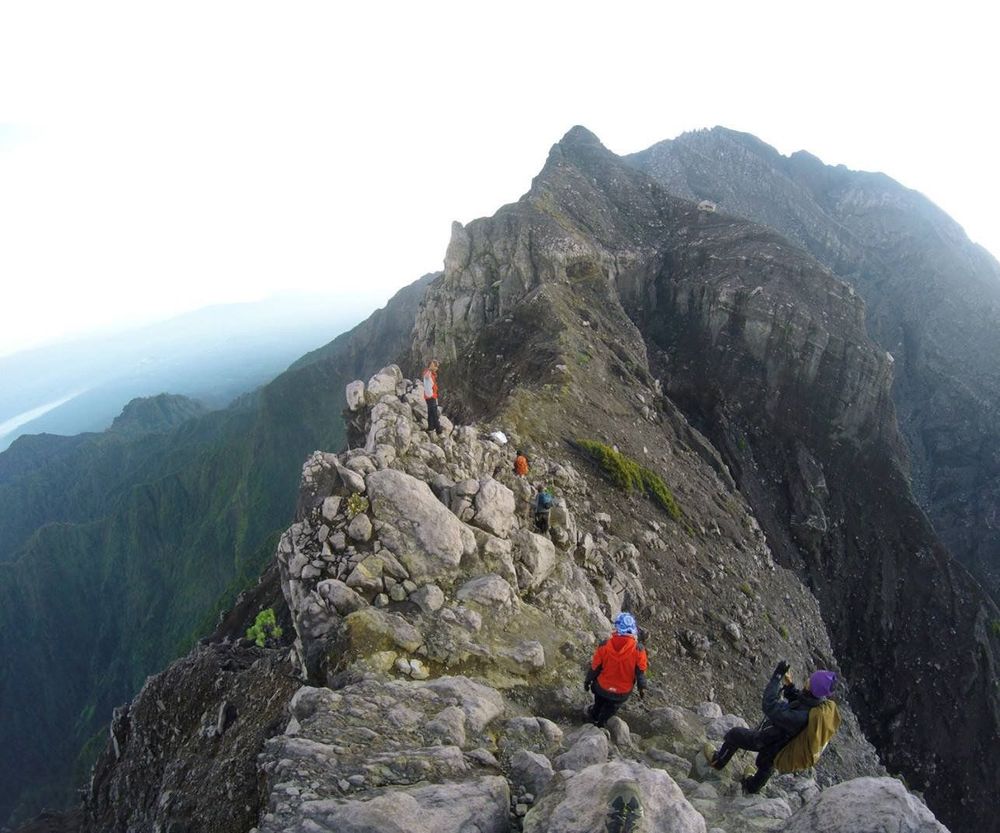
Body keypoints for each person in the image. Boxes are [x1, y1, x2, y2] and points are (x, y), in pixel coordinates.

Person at [707, 662, 839, 794]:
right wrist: (789, 686)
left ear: (812, 687)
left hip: (770, 739)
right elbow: (801, 701)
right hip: (782, 745)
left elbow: (770, 706)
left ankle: (718, 761)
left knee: (735, 735)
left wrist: (776, 677)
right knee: (767, 763)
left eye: (811, 679)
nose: (808, 679)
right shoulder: (818, 705)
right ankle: (752, 787)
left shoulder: (800, 717)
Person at [584, 612, 648, 727]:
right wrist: (642, 688)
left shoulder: (604, 646)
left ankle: (593, 715)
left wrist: (588, 681)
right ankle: (601, 723)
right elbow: (640, 673)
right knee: (611, 708)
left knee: (598, 702)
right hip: (621, 693)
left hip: (601, 688)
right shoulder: (639, 650)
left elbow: (595, 668)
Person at [422, 359, 442, 436]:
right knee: (434, 412)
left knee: (431, 412)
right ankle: (438, 429)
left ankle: (431, 427)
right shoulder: (428, 373)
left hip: (430, 396)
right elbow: (427, 377)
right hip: (430, 396)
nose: (437, 368)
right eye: (436, 366)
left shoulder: (430, 373)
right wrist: (431, 368)